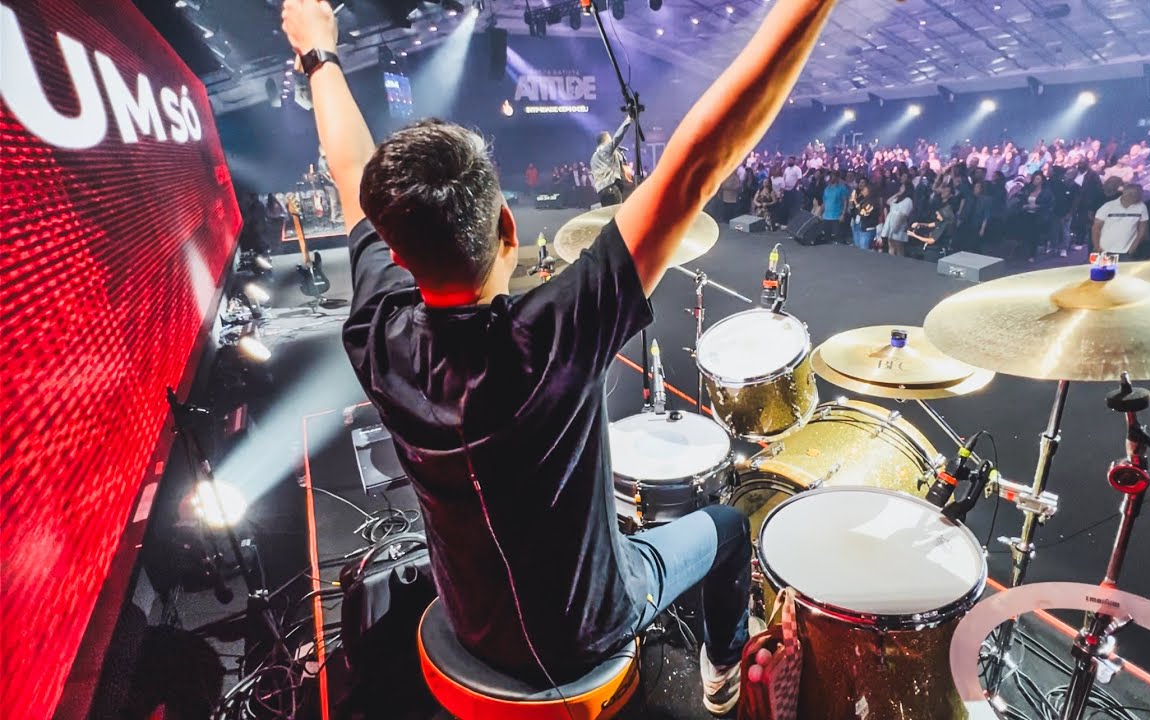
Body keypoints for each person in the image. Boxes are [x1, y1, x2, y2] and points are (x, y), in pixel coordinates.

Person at [279, 0, 838, 715]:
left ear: (392, 254)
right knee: (729, 529)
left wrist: (318, 53)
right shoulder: (551, 333)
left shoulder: (378, 335)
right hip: (589, 631)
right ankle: (721, 674)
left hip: (472, 623)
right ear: (507, 227)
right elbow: (700, 159)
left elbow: (349, 165)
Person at [1092, 183, 1149, 258]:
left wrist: (1134, 245)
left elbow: (1143, 228)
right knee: (1105, 270)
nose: (1133, 196)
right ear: (1124, 192)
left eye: (1136, 194)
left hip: (1126, 251)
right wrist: (1097, 247)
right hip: (1105, 249)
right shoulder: (1108, 206)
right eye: (1130, 193)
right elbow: (1096, 228)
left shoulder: (1142, 207)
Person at [591, 116, 634, 207]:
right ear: (606, 141)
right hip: (612, 188)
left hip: (602, 191)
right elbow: (618, 137)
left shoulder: (594, 157)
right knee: (616, 214)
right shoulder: (606, 150)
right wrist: (629, 119)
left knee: (608, 216)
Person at [818, 172, 851, 244]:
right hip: (826, 216)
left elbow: (845, 201)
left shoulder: (842, 188)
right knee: (827, 237)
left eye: (832, 176)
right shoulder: (827, 188)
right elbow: (824, 202)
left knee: (837, 238)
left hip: (837, 216)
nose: (831, 178)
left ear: (837, 177)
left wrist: (843, 214)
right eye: (830, 176)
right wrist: (820, 213)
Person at [883, 181, 914, 256]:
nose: (900, 188)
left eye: (902, 187)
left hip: (899, 223)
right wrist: (897, 194)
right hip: (891, 220)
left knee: (898, 246)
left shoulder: (908, 200)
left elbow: (904, 214)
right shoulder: (898, 198)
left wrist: (896, 226)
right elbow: (888, 202)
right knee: (891, 243)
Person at [851, 181, 880, 251]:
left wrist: (856, 204)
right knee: (857, 247)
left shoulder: (872, 203)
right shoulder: (862, 200)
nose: (863, 190)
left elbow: (864, 214)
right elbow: (854, 211)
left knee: (864, 249)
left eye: (865, 189)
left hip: (866, 229)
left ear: (870, 191)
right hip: (858, 225)